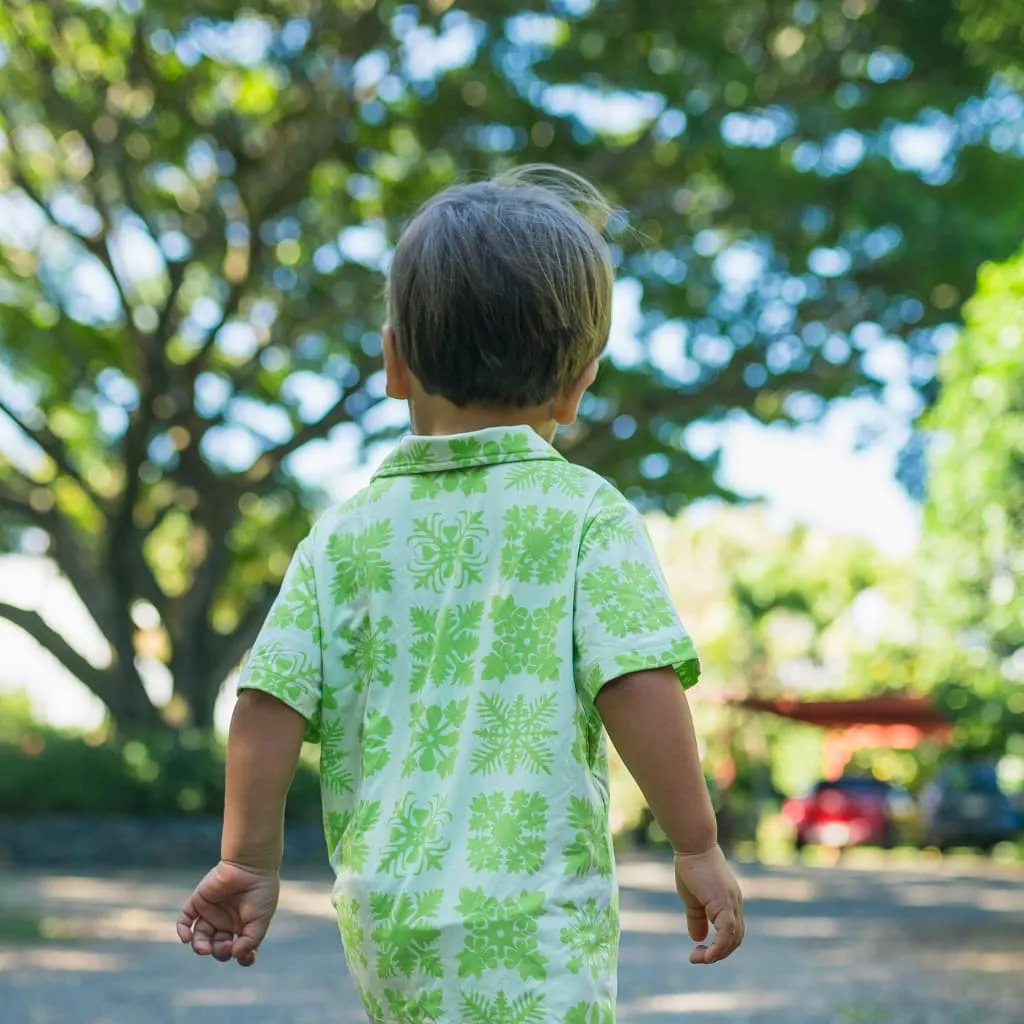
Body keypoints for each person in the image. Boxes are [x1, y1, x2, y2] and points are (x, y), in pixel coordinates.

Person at [177, 165, 744, 1022]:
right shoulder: (585, 514)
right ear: (578, 381)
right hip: (535, 912)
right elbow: (636, 681)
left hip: (385, 914)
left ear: (394, 362)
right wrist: (697, 845)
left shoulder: (343, 535)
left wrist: (250, 860)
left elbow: (267, 697)